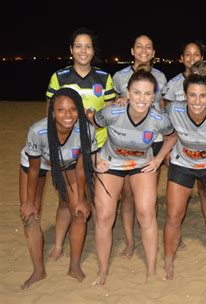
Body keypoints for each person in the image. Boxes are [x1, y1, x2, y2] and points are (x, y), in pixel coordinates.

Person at [92, 69, 176, 285]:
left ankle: (151, 269)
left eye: (148, 94)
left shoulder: (159, 118)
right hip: (111, 163)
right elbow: (91, 126)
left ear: (154, 95)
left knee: (147, 213)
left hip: (141, 165)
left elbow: (172, 137)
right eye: (137, 92)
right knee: (104, 216)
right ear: (127, 92)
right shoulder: (111, 112)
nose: (142, 99)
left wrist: (158, 160)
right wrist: (94, 157)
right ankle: (102, 270)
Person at [45, 27, 115, 261]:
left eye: (88, 46)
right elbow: (49, 112)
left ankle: (94, 241)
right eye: (78, 46)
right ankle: (57, 245)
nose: (83, 51)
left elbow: (110, 112)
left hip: (99, 146)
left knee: (96, 197)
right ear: (71, 50)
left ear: (93, 50)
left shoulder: (104, 78)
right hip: (67, 148)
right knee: (67, 200)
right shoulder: (60, 77)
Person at [19, 87, 96, 289]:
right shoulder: (38, 131)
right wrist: (29, 202)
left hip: (68, 164)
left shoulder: (86, 130)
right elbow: (34, 170)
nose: (68, 114)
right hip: (37, 165)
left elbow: (81, 168)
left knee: (78, 212)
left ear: (79, 110)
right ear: (52, 111)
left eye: (73, 109)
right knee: (30, 216)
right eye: (61, 110)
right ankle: (38, 270)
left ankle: (74, 266)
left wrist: (81, 198)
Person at [163, 74, 206, 280]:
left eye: (202, 96)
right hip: (182, 164)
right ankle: (168, 259)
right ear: (184, 95)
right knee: (174, 216)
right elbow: (147, 113)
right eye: (192, 95)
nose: (197, 101)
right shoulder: (172, 110)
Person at [162, 41, 206, 245]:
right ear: (182, 58)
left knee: (205, 191)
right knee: (180, 199)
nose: (191, 58)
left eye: (196, 54)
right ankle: (177, 239)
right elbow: (168, 118)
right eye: (187, 54)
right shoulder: (173, 84)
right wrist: (168, 150)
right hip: (182, 149)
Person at [112, 34, 168, 258]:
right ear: (132, 51)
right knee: (126, 194)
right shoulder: (119, 77)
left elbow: (162, 106)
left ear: (153, 53)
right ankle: (129, 241)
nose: (144, 51)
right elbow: (114, 107)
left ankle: (150, 237)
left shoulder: (161, 77)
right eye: (139, 47)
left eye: (148, 48)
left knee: (149, 195)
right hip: (126, 142)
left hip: (153, 141)